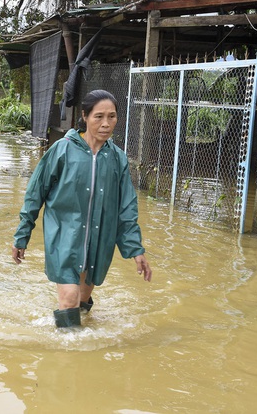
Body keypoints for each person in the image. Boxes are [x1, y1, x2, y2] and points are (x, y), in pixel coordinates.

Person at [12, 89, 152, 328]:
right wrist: (22, 235)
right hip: (64, 236)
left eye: (112, 116)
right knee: (69, 298)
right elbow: (35, 195)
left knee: (82, 300)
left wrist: (136, 249)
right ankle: (69, 357)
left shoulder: (118, 159)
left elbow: (126, 208)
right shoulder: (62, 150)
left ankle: (81, 332)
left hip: (99, 240)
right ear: (85, 117)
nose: (106, 124)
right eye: (99, 117)